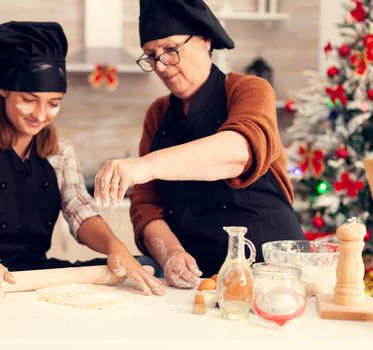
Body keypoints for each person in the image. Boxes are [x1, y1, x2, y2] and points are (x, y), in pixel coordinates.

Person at [0, 21, 165, 300]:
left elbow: (81, 212)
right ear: (3, 90)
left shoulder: (60, 153)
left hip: (34, 278)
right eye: (29, 99)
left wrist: (115, 246)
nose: (40, 114)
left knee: (143, 266)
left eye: (53, 103)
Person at [94, 0, 305, 288]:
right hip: (194, 280)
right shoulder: (157, 114)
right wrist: (171, 254)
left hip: (269, 269)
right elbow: (146, 206)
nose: (161, 66)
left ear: (205, 39)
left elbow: (239, 151)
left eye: (170, 49)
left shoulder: (248, 89)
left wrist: (145, 166)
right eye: (151, 56)